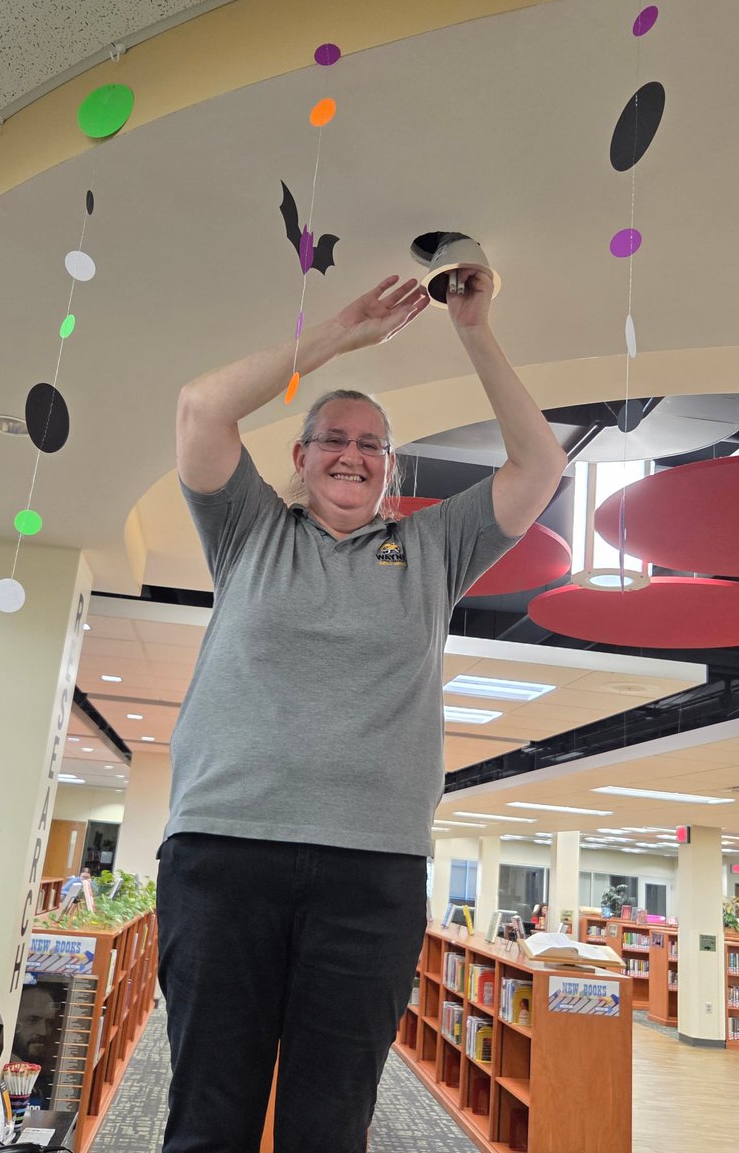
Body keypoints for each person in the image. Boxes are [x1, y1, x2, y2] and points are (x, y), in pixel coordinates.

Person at [157, 269, 567, 1153]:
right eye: (333, 439)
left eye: (373, 445)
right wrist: (341, 332)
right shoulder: (248, 530)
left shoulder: (433, 548)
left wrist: (474, 329)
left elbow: (540, 466)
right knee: (207, 1115)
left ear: (392, 469)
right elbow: (200, 408)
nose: (353, 455)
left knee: (330, 1122)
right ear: (299, 459)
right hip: (223, 856)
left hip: (370, 875)